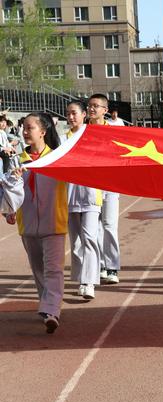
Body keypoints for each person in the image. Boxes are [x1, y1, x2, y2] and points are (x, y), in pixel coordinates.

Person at [12, 113, 67, 333]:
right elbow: (8, 190)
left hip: (53, 221)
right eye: (24, 128)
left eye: (30, 128)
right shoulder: (16, 159)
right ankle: (47, 306)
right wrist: (9, 208)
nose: (25, 132)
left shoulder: (58, 158)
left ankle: (52, 310)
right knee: (39, 270)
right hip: (27, 223)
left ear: (43, 132)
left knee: (54, 269)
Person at [63, 101, 102, 300]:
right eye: (68, 114)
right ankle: (80, 279)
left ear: (84, 114)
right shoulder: (63, 139)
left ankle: (89, 282)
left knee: (90, 238)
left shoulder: (93, 135)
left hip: (91, 194)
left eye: (74, 113)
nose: (71, 117)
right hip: (70, 196)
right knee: (76, 242)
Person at [88, 93, 121, 284]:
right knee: (94, 227)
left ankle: (112, 267)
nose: (92, 109)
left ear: (105, 110)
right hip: (91, 185)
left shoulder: (114, 131)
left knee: (109, 225)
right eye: (90, 106)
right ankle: (100, 264)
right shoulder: (82, 131)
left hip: (109, 184)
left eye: (96, 106)